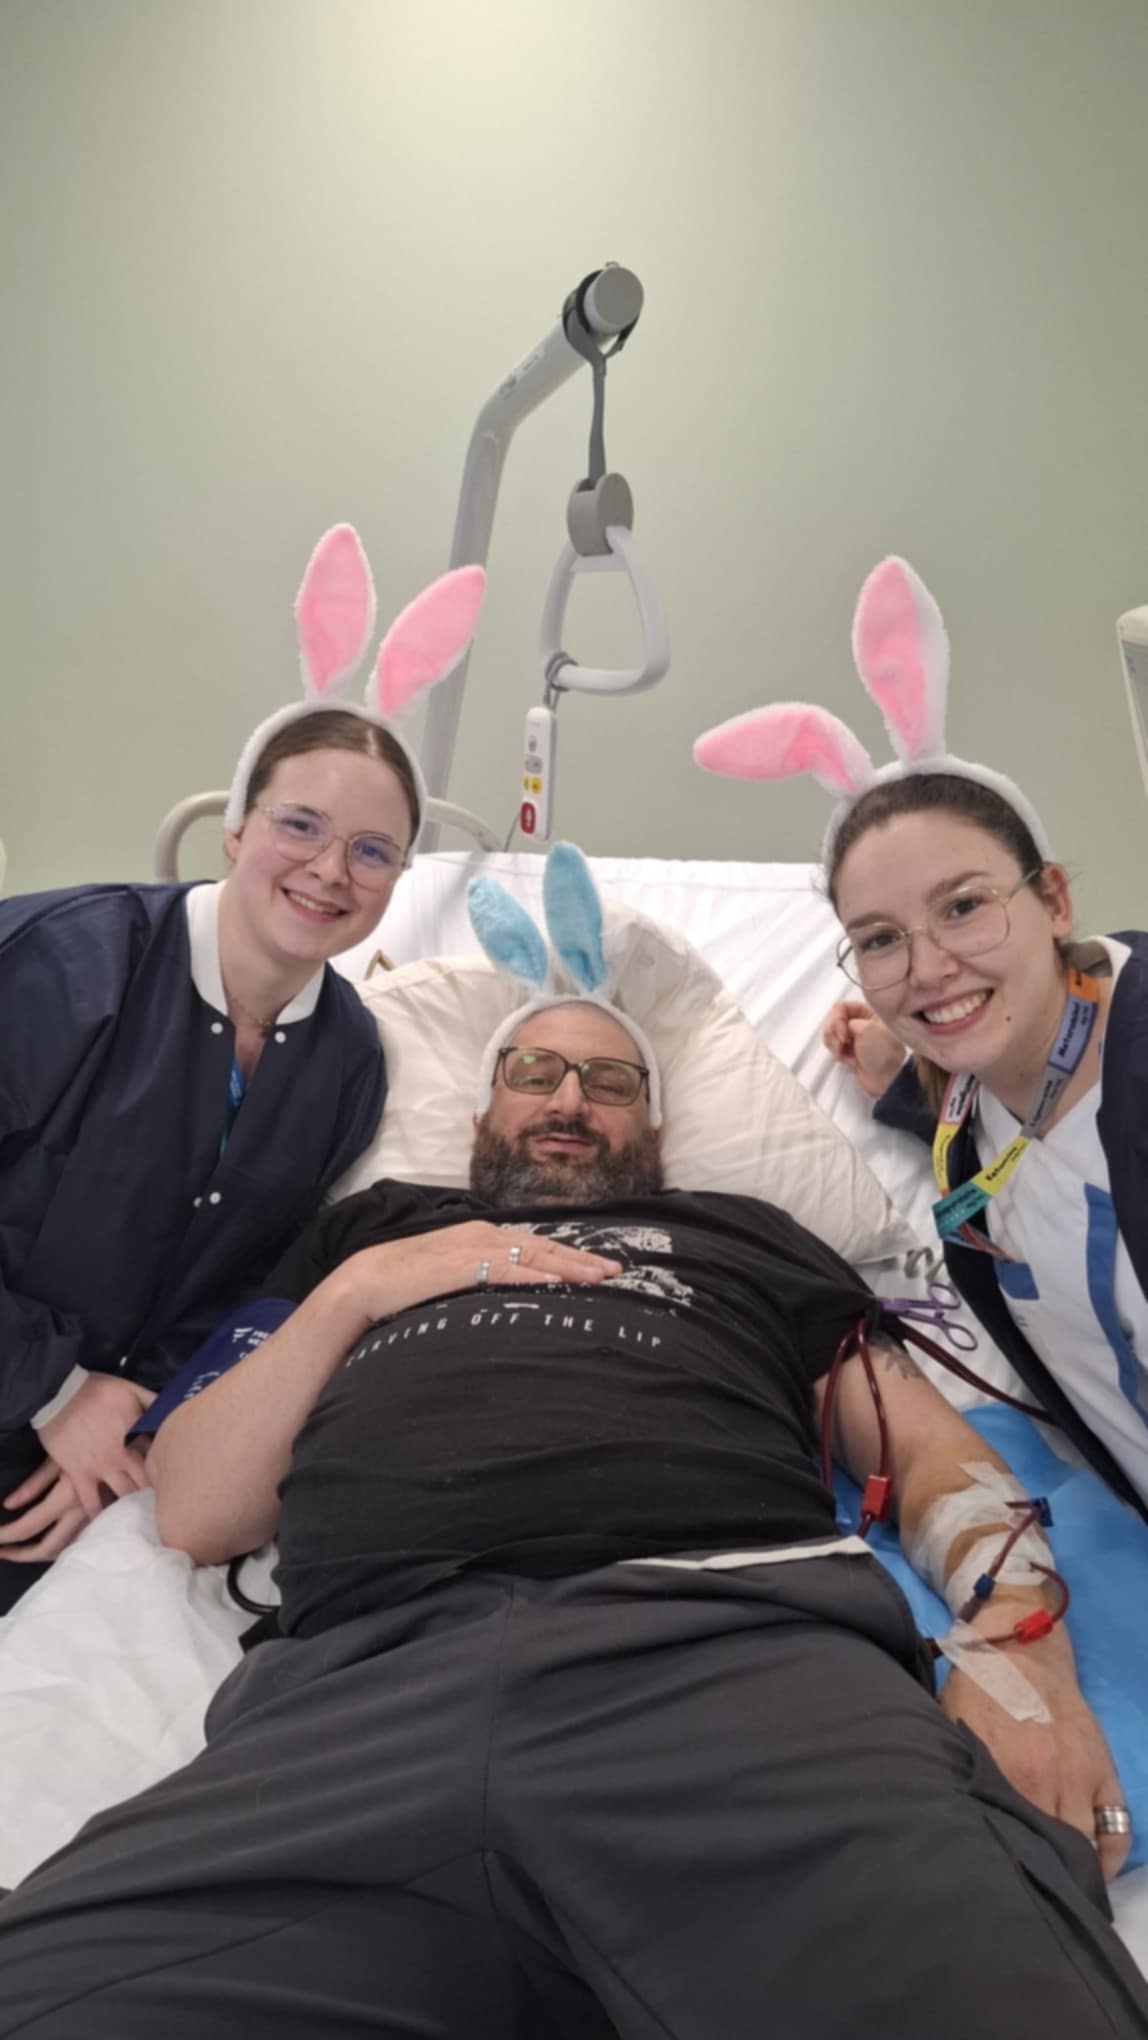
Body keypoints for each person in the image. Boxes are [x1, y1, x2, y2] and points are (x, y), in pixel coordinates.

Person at [0, 995, 1144, 2040]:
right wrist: (357, 1289)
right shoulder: (369, 1232)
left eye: (608, 1081)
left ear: (652, 1127)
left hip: (738, 1661)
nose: (566, 1099)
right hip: (353, 1694)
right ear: (481, 1108)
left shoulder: (743, 1233)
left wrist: (1022, 1656)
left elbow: (928, 1449)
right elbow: (195, 1509)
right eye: (533, 1069)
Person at [0, 523, 484, 1607]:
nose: (329, 870)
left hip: (101, 1455)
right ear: (232, 827)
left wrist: (132, 1410)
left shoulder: (347, 1062)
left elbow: (241, 1281)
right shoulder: (60, 967)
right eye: (299, 825)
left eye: (372, 851)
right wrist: (54, 1393)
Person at [694, 553, 1148, 1520]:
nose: (930, 968)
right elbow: (1011, 1138)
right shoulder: (971, 1115)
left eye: (964, 906)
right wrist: (900, 1080)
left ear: (1053, 898)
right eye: (880, 939)